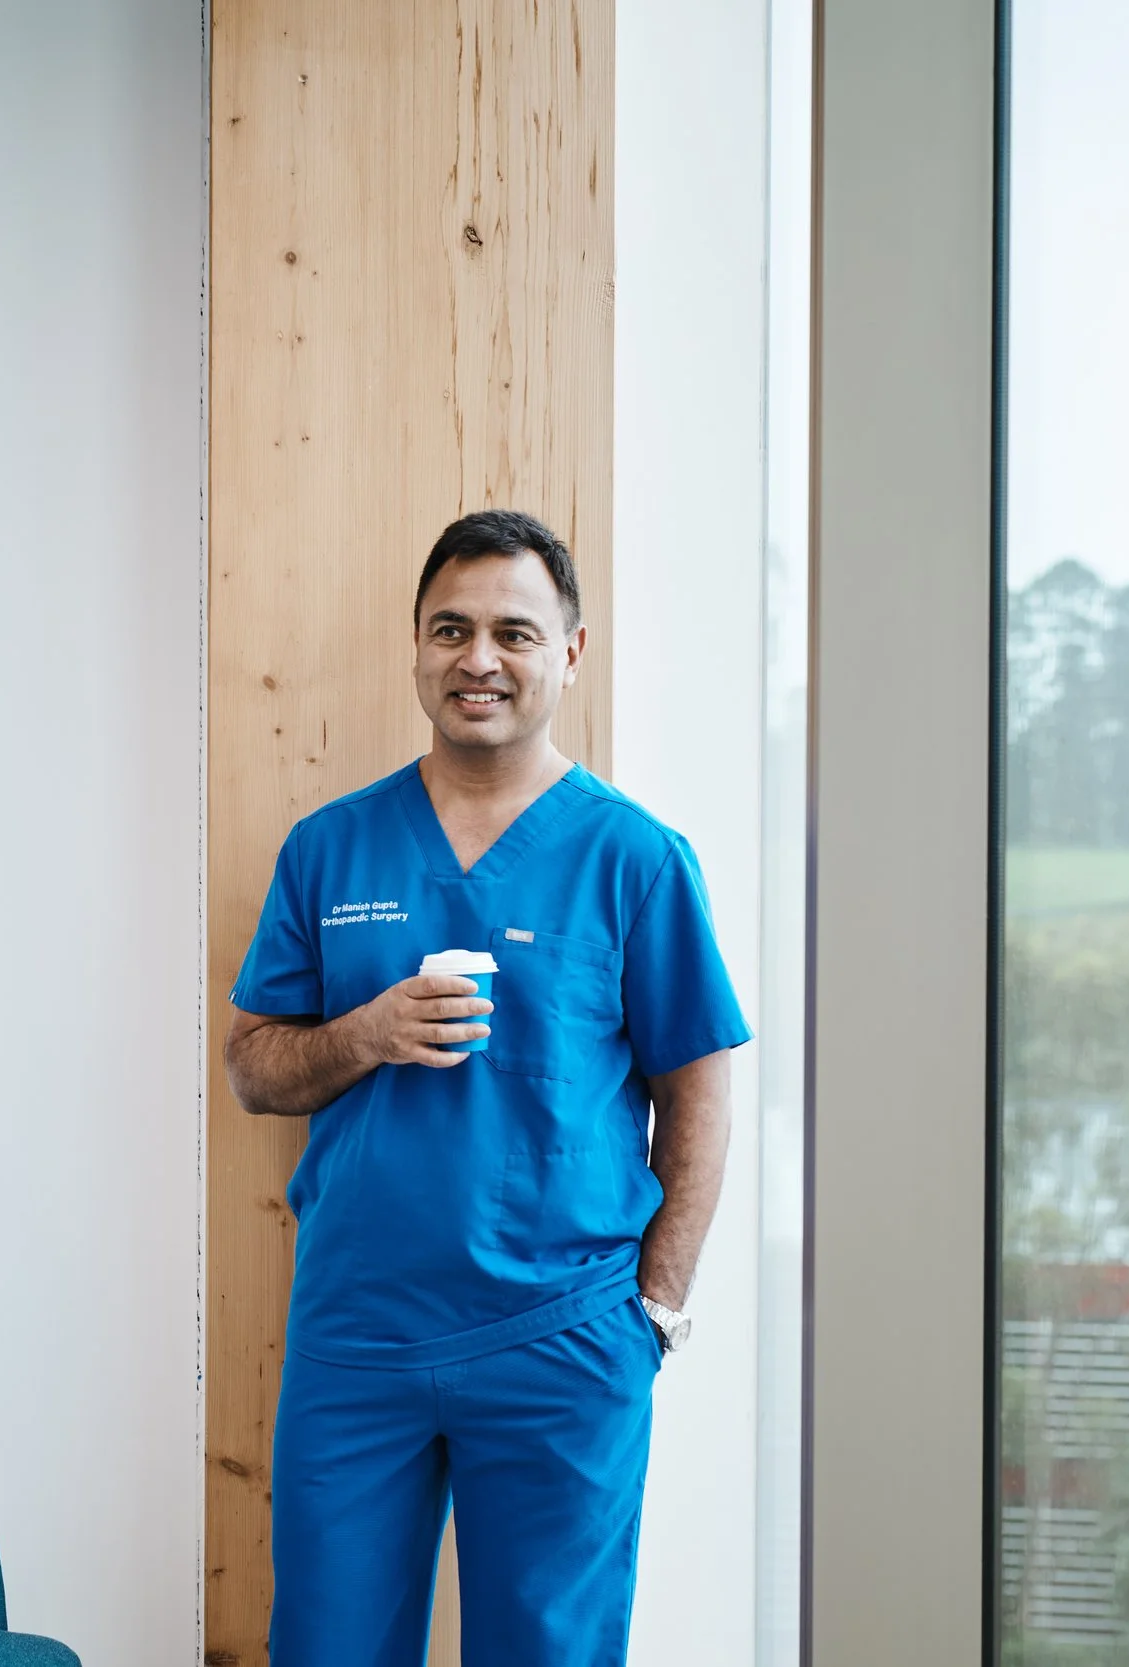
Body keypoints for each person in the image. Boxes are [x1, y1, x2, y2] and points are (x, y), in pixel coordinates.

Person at [225, 509, 751, 1667]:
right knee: (325, 1646)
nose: (478, 657)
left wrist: (652, 1309)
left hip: (562, 1331)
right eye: (449, 628)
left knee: (548, 1651)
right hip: (357, 1331)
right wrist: (360, 1033)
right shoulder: (330, 847)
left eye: (514, 631)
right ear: (415, 646)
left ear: (568, 651)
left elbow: (700, 1090)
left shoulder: (634, 857)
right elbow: (254, 1067)